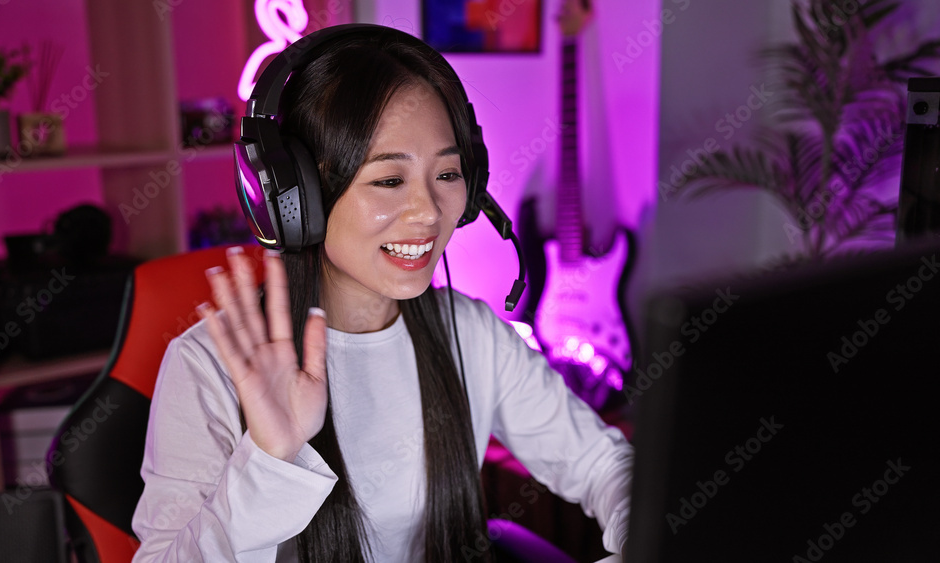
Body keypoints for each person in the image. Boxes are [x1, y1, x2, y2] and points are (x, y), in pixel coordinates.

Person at [132, 24, 633, 563]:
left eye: (447, 173)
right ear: (298, 196)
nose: (428, 212)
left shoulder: (470, 333)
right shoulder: (206, 365)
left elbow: (606, 465)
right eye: (389, 181)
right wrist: (269, 460)